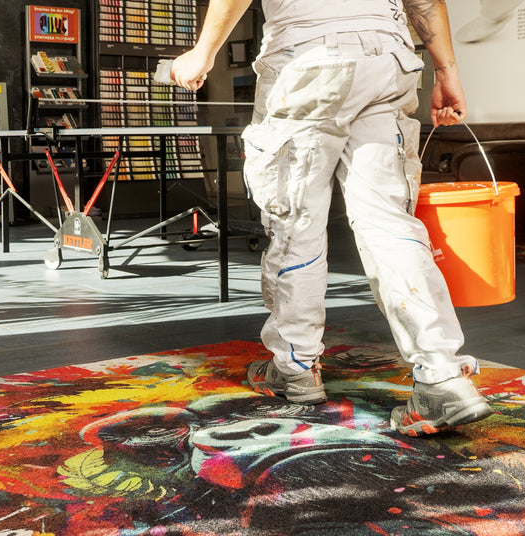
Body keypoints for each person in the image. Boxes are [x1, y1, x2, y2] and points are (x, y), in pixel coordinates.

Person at [172, 0, 492, 437]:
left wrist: (204, 51)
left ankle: (295, 367)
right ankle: (441, 376)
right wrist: (447, 73)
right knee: (390, 225)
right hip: (389, 60)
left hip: (307, 61)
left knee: (296, 225)